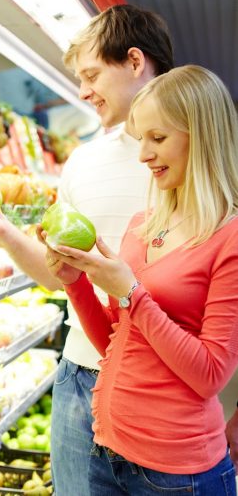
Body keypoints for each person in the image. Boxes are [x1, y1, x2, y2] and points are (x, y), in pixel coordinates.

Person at [0, 5, 174, 494]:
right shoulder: (83, 161)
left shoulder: (194, 160)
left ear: (135, 62)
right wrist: (2, 229)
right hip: (80, 380)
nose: (82, 92)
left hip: (165, 388)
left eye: (92, 74)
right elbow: (59, 276)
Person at [44, 64, 238, 495]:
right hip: (107, 451)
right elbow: (115, 343)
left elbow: (211, 374)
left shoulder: (230, 238)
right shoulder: (142, 225)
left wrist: (132, 293)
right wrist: (76, 282)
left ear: (201, 135)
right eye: (141, 138)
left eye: (158, 138)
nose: (144, 154)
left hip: (176, 473)